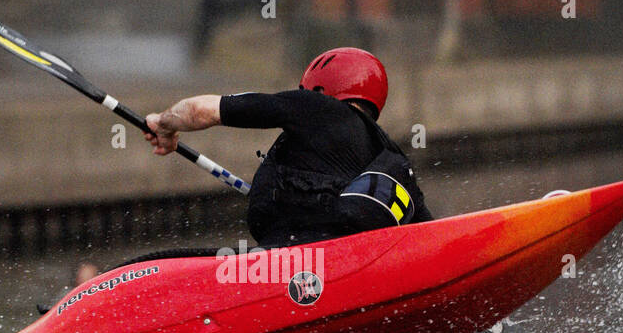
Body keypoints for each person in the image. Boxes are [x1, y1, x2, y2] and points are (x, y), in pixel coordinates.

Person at [144, 48, 433, 248]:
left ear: (319, 89)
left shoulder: (313, 107)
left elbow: (202, 110)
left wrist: (164, 123)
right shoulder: (392, 158)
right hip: (348, 271)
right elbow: (431, 237)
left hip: (292, 267)